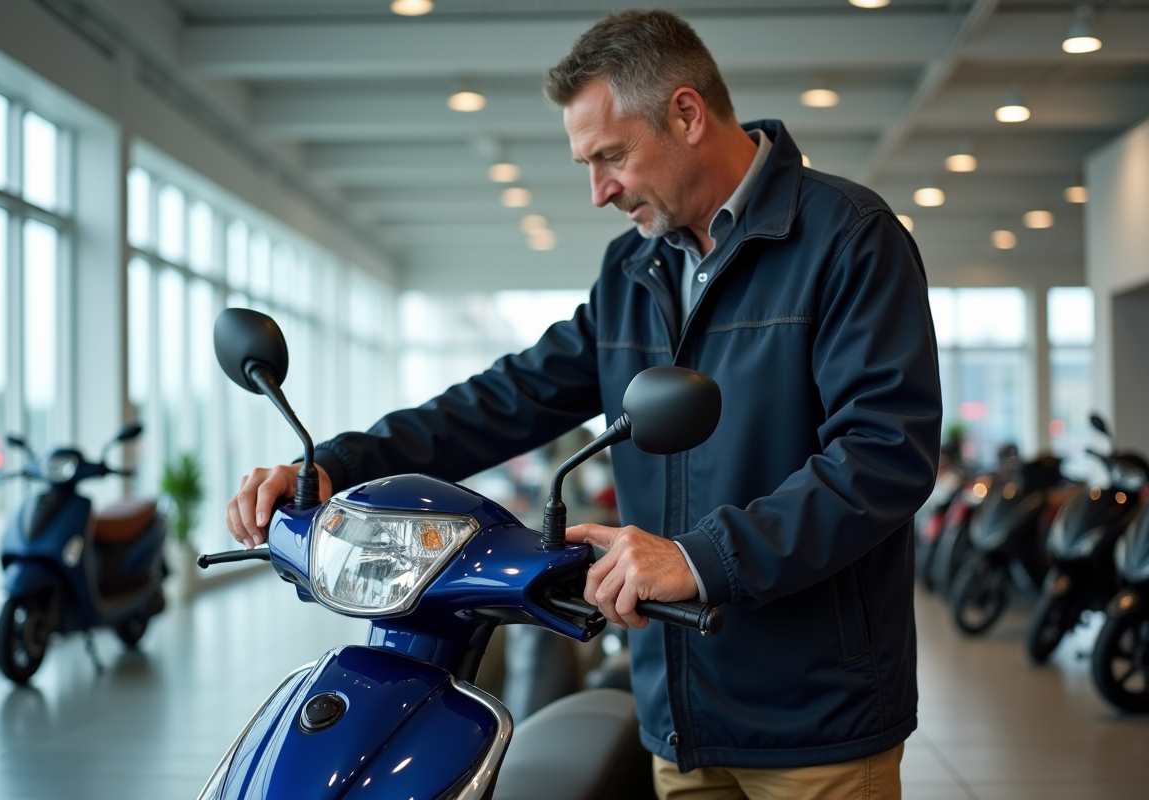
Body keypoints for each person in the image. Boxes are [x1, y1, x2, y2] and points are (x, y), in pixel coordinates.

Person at [226, 10, 941, 799]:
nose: (599, 191)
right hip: (679, 712)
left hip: (817, 719)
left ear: (686, 113)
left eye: (611, 157)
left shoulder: (847, 238)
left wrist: (700, 557)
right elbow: (510, 396)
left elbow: (883, 458)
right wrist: (338, 464)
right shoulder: (635, 268)